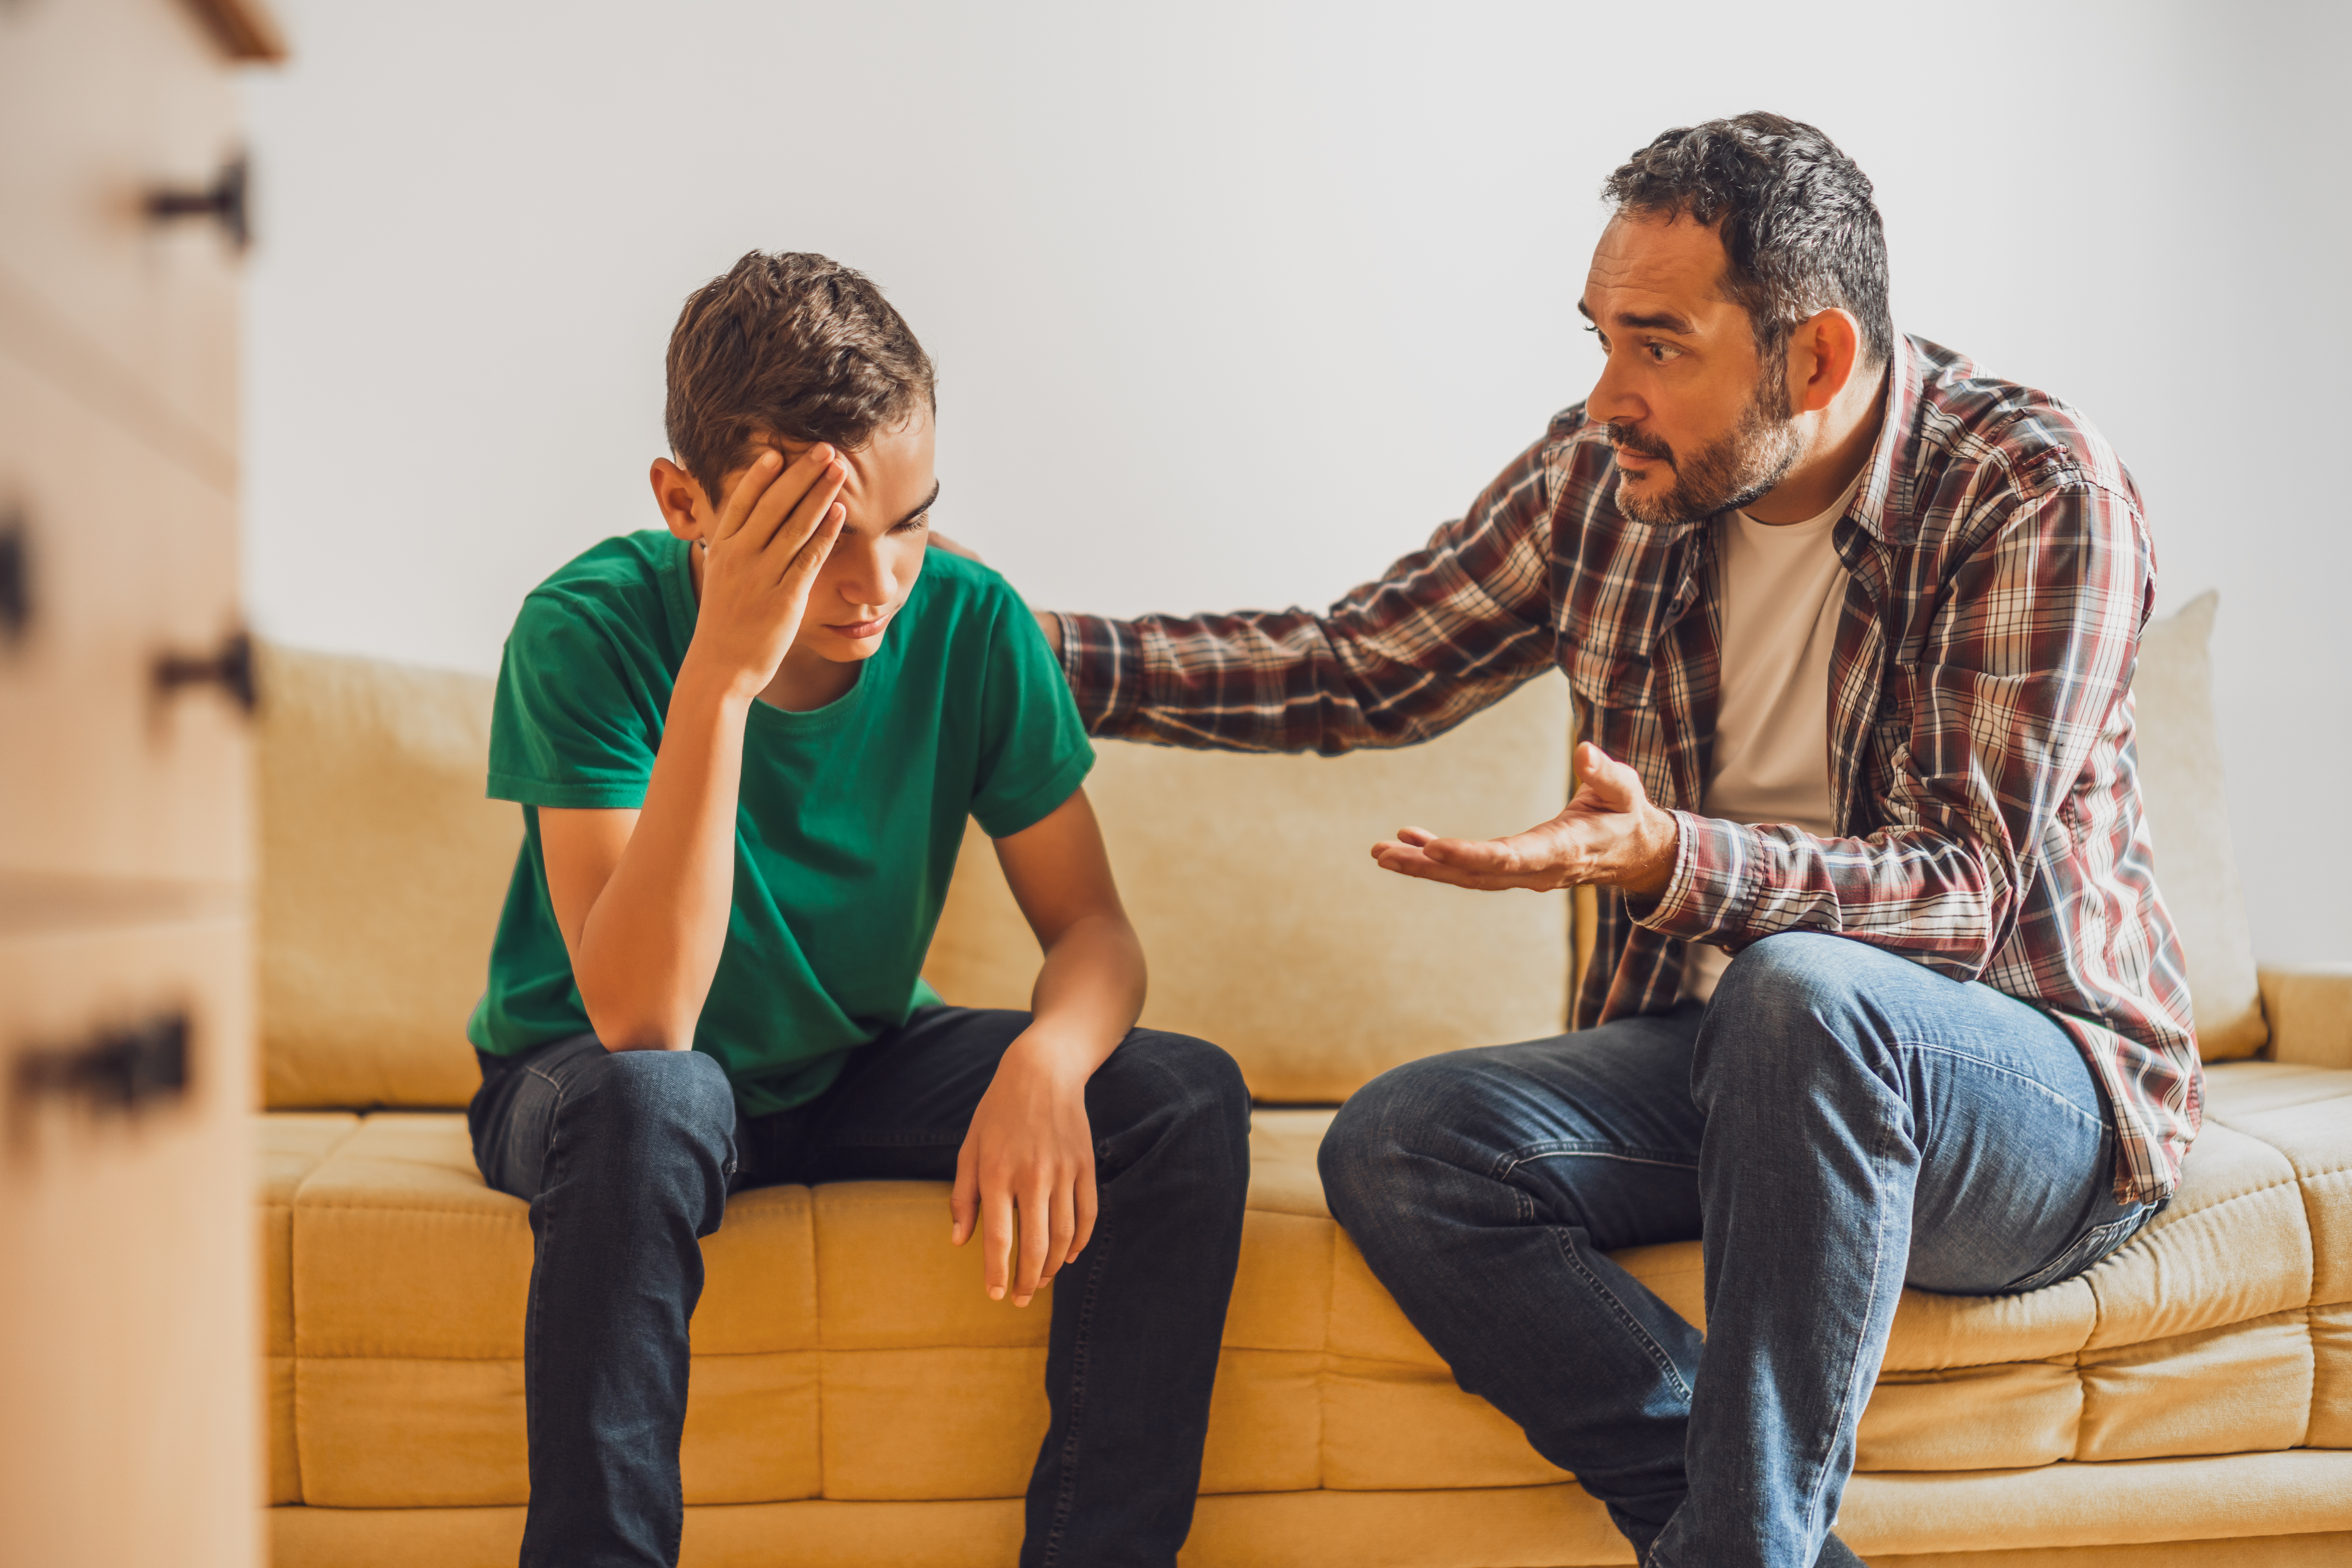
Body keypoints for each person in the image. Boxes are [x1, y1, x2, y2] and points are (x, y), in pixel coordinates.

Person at [1032, 113, 2200, 1568]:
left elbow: (1962, 891)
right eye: (1598, 337)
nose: (1606, 396)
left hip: (2026, 1097)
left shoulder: (2030, 489)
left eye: (1658, 346)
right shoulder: (1610, 483)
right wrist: (1005, 647)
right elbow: (1352, 665)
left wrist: (1671, 862)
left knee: (1803, 988)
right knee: (1406, 1144)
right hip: (1739, 1066)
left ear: (1817, 359)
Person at [463, 251, 1250, 1568]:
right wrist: (720, 673)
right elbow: (643, 1015)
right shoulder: (588, 629)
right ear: (685, 502)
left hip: (850, 1057)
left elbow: (1093, 932)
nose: (877, 579)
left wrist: (1047, 1065)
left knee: (1180, 1095)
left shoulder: (970, 624)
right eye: (822, 531)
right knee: (660, 1097)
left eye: (909, 519)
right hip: (592, 1075)